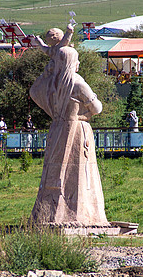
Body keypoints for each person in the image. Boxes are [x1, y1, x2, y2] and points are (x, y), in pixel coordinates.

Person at [29, 41, 110, 229]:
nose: (79, 63)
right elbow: (97, 109)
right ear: (71, 62)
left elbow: (34, 92)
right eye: (77, 60)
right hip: (77, 131)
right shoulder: (77, 82)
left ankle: (50, 212)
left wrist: (47, 71)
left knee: (54, 171)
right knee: (80, 173)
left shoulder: (52, 83)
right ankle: (81, 214)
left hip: (57, 129)